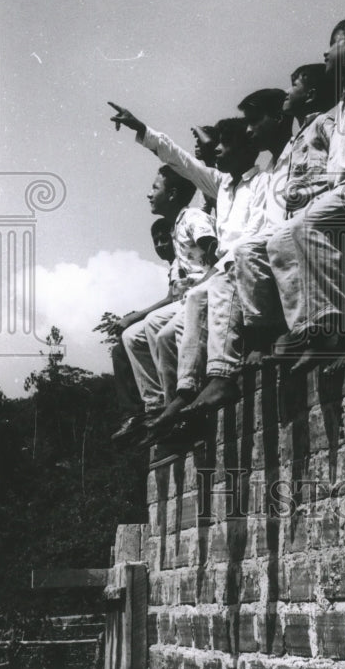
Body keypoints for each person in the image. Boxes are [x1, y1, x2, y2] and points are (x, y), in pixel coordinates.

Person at [108, 103, 268, 461]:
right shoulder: (222, 184)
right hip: (220, 274)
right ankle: (171, 412)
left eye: (225, 145)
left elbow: (248, 240)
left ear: (244, 149)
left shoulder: (263, 183)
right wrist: (143, 129)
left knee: (187, 307)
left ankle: (195, 394)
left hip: (242, 268)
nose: (218, 153)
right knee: (160, 334)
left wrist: (212, 273)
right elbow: (182, 161)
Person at [267, 17, 345, 373]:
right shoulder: (344, 100)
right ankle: (310, 329)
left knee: (308, 225)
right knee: (283, 236)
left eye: (335, 42)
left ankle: (333, 327)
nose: (326, 51)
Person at [233, 68, 336, 365]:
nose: (249, 131)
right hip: (277, 240)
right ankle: (267, 334)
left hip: (307, 224)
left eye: (254, 122)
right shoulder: (266, 173)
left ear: (278, 118)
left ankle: (301, 332)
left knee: (281, 238)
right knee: (246, 250)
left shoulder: (302, 144)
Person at [114, 165, 216, 449]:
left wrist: (200, 285)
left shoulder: (194, 218)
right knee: (131, 336)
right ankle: (156, 404)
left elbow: (217, 256)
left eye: (154, 188)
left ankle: (178, 407)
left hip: (206, 293)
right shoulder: (175, 229)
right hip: (186, 298)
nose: (149, 194)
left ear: (172, 194)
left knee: (161, 333)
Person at [109, 218, 183, 447]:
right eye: (156, 241)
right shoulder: (172, 266)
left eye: (165, 239)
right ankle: (135, 414)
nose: (161, 245)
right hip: (171, 316)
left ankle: (155, 405)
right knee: (121, 350)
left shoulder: (183, 259)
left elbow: (172, 299)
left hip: (182, 316)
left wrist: (134, 316)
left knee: (138, 334)